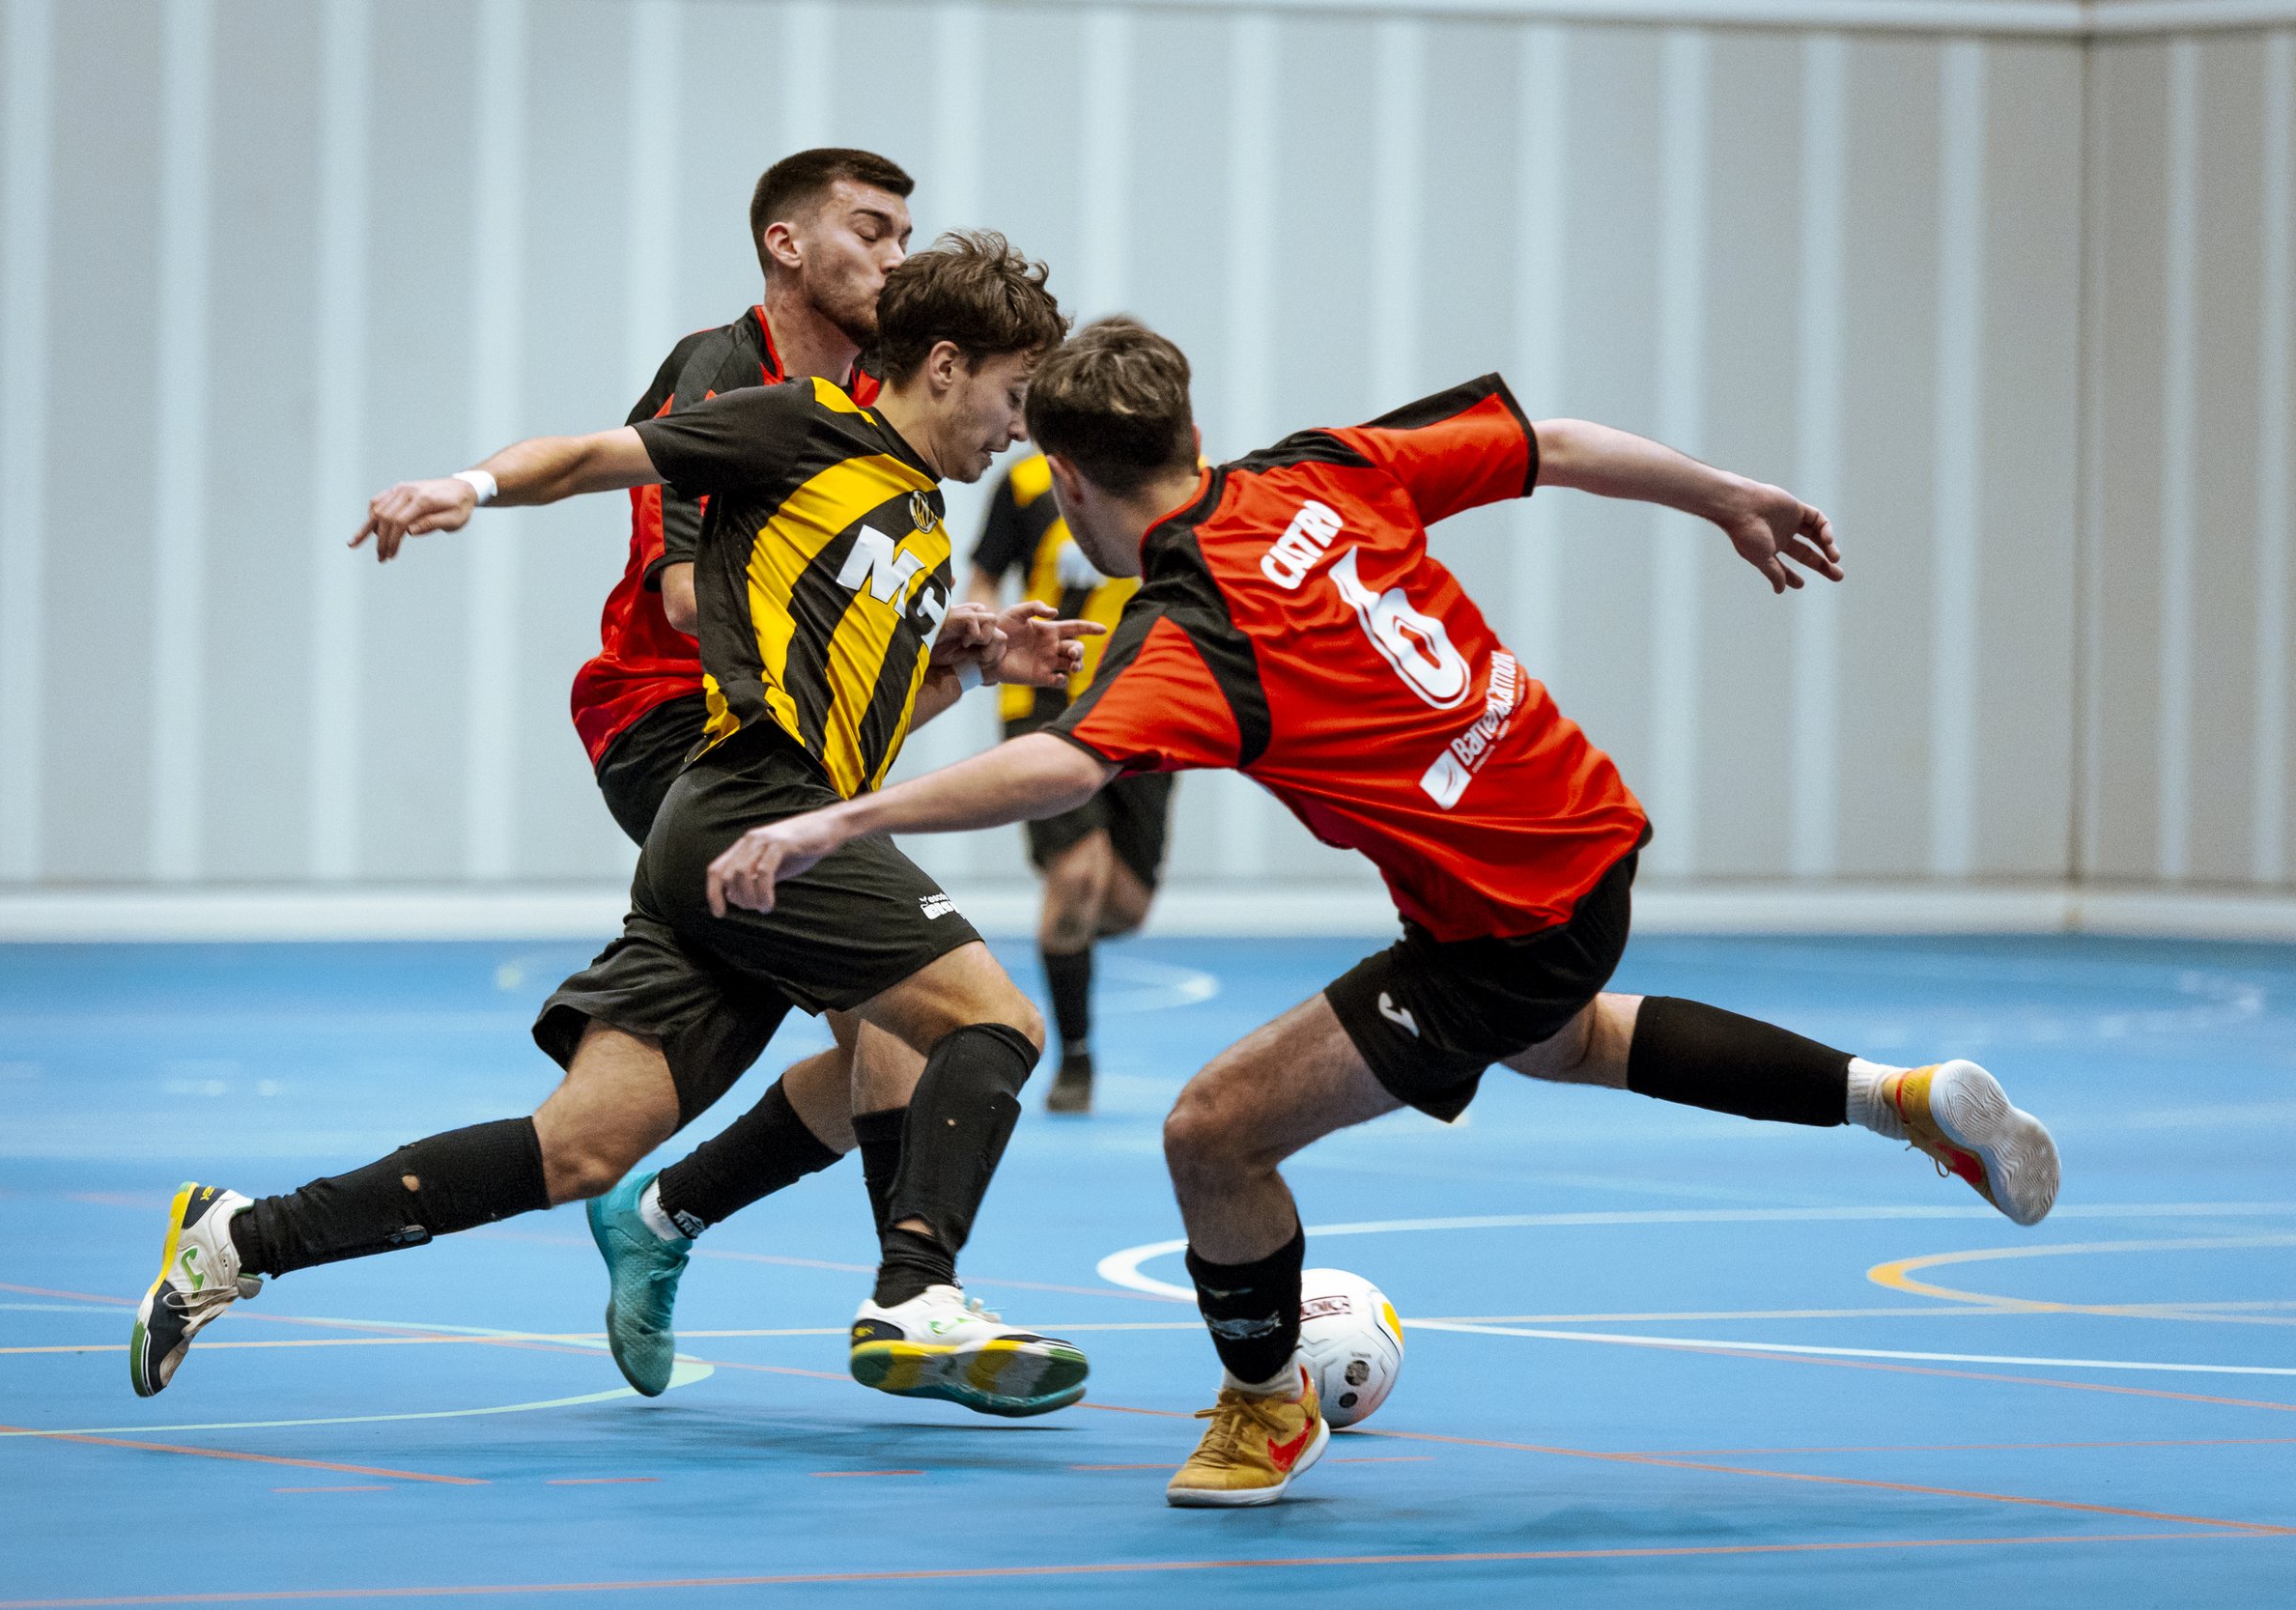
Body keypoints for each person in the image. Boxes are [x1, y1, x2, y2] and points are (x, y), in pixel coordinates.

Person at [699, 318, 2063, 1507]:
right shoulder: (1321, 465)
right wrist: (1723, 496)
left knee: (1215, 1131)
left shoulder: (1193, 629)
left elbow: (1062, 764)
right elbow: (1560, 440)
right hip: (1583, 827)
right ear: (1193, 426)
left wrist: (840, 816)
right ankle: (1905, 1096)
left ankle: (1267, 1405)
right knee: (1560, 1036)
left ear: (1064, 480)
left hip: (1503, 919)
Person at [133, 235, 1100, 1425]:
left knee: (577, 1148)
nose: (1017, 430)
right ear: (944, 366)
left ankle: (240, 1236)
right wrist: (468, 489)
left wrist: (972, 656)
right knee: (990, 1020)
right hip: (755, 804)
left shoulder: (917, 523)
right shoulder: (803, 428)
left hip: (751, 837)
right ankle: (916, 1290)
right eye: (1013, 396)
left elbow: (865, 728)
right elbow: (598, 455)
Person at [363, 147, 932, 1397]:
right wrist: (467, 484)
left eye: (905, 235)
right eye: (872, 230)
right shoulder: (729, 373)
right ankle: (913, 1297)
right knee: (915, 998)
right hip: (670, 726)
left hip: (789, 748)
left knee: (894, 1034)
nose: (895, 257)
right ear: (787, 244)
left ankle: (663, 1210)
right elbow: (684, 590)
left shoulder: (889, 405)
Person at [964, 452, 1174, 1112]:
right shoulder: (1028, 484)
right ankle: (1076, 1057)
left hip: (1147, 701)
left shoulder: (1173, 480)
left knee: (1126, 905)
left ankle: (1063, 928)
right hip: (1048, 704)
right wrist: (988, 637)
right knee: (1079, 872)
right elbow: (984, 578)